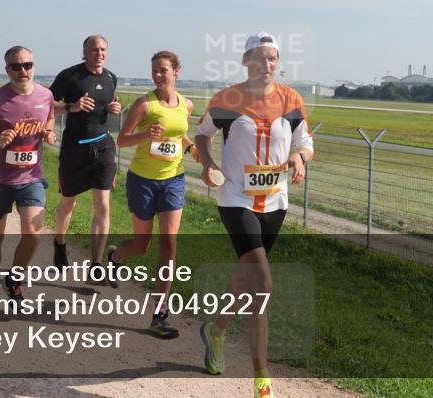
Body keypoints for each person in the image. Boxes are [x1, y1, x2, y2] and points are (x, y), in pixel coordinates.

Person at [195, 33, 314, 398]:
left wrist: (299, 159)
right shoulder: (228, 100)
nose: (267, 65)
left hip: (275, 203)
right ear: (246, 62)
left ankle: (216, 330)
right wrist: (208, 163)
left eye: (273, 58)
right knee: (262, 284)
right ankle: (262, 381)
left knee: (245, 279)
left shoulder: (291, 99)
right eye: (260, 58)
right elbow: (201, 135)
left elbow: (305, 142)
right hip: (235, 199)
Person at [111, 50, 194, 337]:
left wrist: (192, 148)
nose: (158, 75)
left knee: (169, 244)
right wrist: (146, 136)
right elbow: (122, 140)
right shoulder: (144, 105)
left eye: (163, 70)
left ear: (176, 71)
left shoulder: (187, 104)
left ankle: (159, 314)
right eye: (155, 71)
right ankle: (114, 258)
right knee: (142, 245)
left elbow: (178, 133)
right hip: (143, 180)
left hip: (173, 179)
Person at [0, 46, 55, 308]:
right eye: (16, 67)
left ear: (34, 66)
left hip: (31, 177)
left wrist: (48, 133)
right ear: (7, 70)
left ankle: (14, 279)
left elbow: (49, 119)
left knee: (33, 232)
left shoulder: (46, 95)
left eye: (27, 65)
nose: (23, 71)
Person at [49, 34, 122, 279]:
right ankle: (60, 243)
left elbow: (109, 104)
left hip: (103, 146)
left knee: (102, 204)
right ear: (84, 52)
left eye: (102, 49)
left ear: (107, 52)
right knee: (68, 202)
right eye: (93, 49)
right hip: (74, 148)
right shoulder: (70, 76)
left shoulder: (112, 78)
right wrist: (72, 107)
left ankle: (96, 265)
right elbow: (47, 105)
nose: (98, 53)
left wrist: (115, 108)